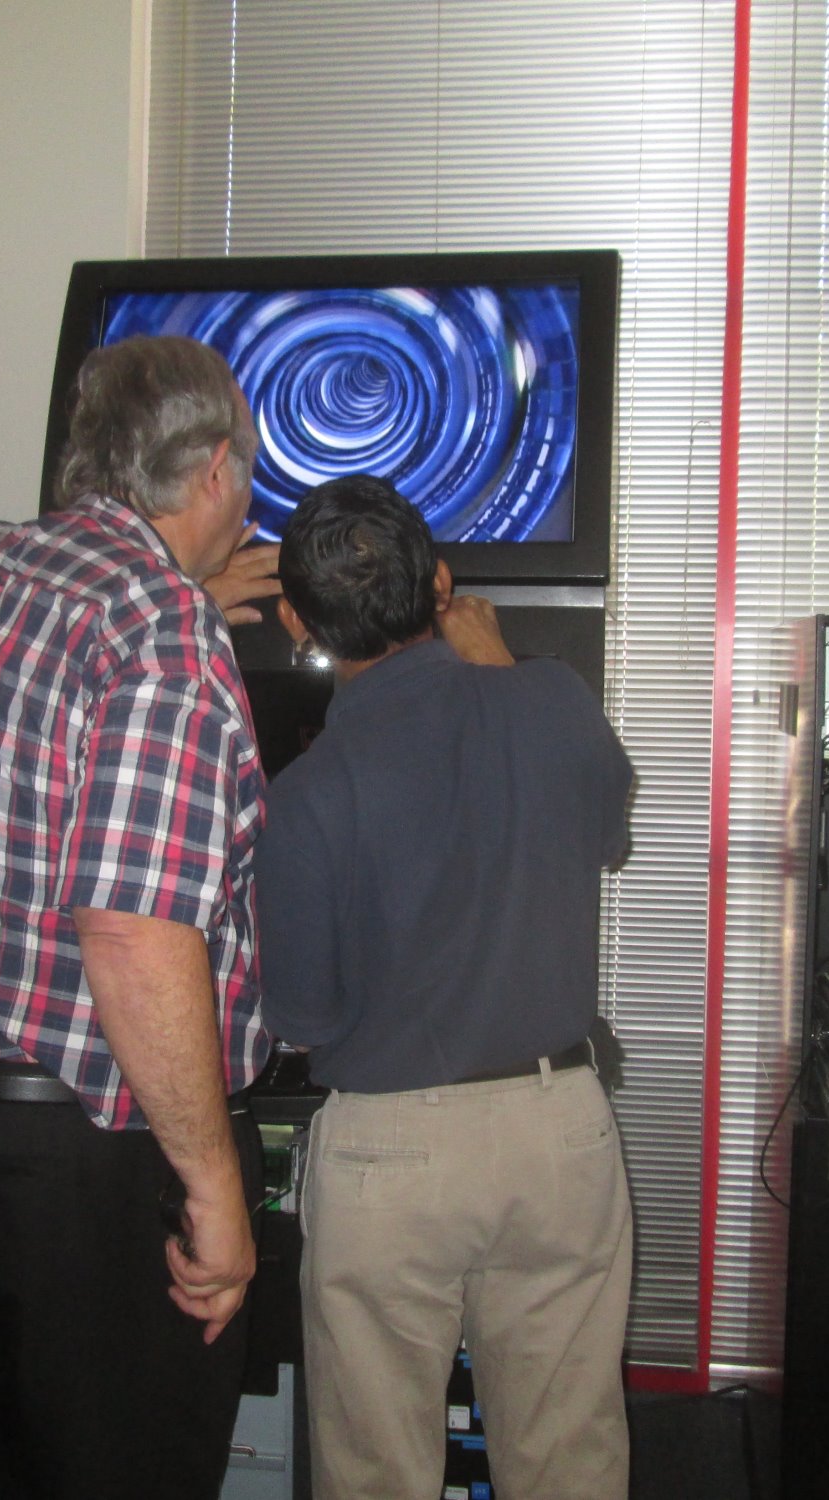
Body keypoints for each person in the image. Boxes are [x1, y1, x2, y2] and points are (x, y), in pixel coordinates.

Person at [0, 333, 277, 1499]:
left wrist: (177, 600)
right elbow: (131, 931)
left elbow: (43, 677)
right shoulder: (163, 632)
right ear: (214, 472)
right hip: (63, 1169)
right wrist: (215, 1187)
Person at [256, 474, 637, 1500]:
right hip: (559, 1130)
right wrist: (502, 669)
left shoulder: (306, 793)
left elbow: (304, 1016)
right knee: (570, 1462)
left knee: (375, 1471)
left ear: (296, 621)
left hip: (390, 1153)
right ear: (442, 582)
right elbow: (607, 832)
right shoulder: (552, 698)